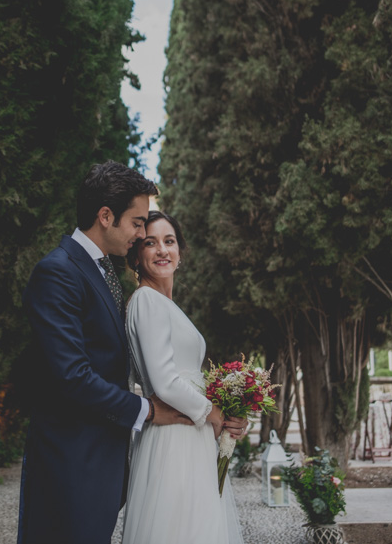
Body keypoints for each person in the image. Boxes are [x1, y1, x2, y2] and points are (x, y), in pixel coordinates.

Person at [17, 161, 195, 544]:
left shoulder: (101, 270)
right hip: (69, 470)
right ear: (105, 216)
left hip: (100, 468)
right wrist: (148, 410)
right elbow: (72, 376)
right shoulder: (58, 271)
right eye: (137, 223)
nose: (142, 233)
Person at [121, 210, 246, 544]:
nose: (162, 250)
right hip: (173, 439)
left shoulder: (167, 306)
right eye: (151, 243)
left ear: (180, 253)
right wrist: (212, 413)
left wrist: (228, 414)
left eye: (169, 241)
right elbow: (165, 382)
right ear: (136, 256)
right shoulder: (147, 300)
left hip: (191, 435)